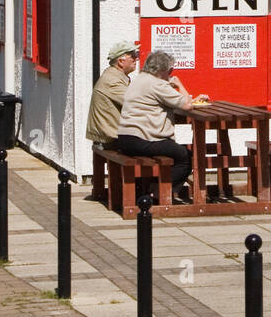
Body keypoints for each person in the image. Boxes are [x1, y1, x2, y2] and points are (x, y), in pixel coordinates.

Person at [116, 50, 208, 200]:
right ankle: (157, 192)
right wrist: (179, 84)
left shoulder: (140, 79)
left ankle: (151, 189)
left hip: (126, 138)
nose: (171, 74)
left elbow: (167, 100)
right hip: (144, 140)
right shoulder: (157, 84)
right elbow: (186, 105)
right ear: (161, 70)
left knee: (173, 152)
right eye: (170, 70)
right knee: (185, 156)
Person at [86, 40, 137, 148]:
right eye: (133, 56)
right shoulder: (112, 80)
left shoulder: (115, 76)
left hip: (112, 136)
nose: (136, 58)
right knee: (170, 151)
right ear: (121, 61)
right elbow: (136, 103)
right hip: (110, 140)